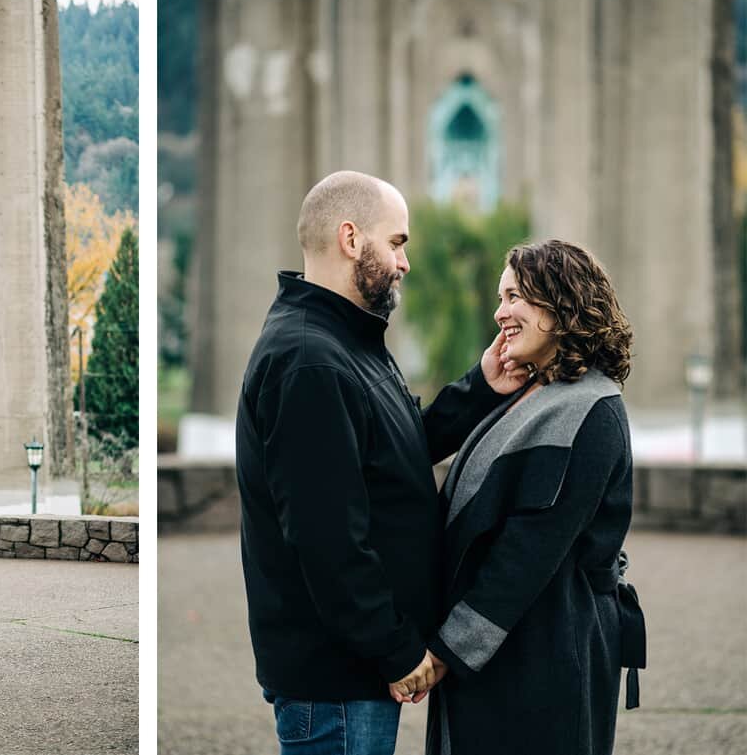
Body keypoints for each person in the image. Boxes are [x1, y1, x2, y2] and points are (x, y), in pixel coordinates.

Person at [235, 171, 530, 755]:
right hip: (335, 682)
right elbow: (327, 538)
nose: (405, 262)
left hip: (350, 675)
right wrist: (395, 650)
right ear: (351, 238)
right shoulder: (310, 361)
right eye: (396, 242)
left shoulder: (344, 341)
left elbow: (389, 453)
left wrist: (480, 389)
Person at [418, 240, 645, 755]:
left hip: (546, 656)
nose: (500, 313)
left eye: (515, 296)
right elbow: (419, 454)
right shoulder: (528, 393)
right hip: (502, 648)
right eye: (501, 298)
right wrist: (481, 386)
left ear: (560, 305)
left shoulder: (592, 411)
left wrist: (448, 651)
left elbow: (526, 553)